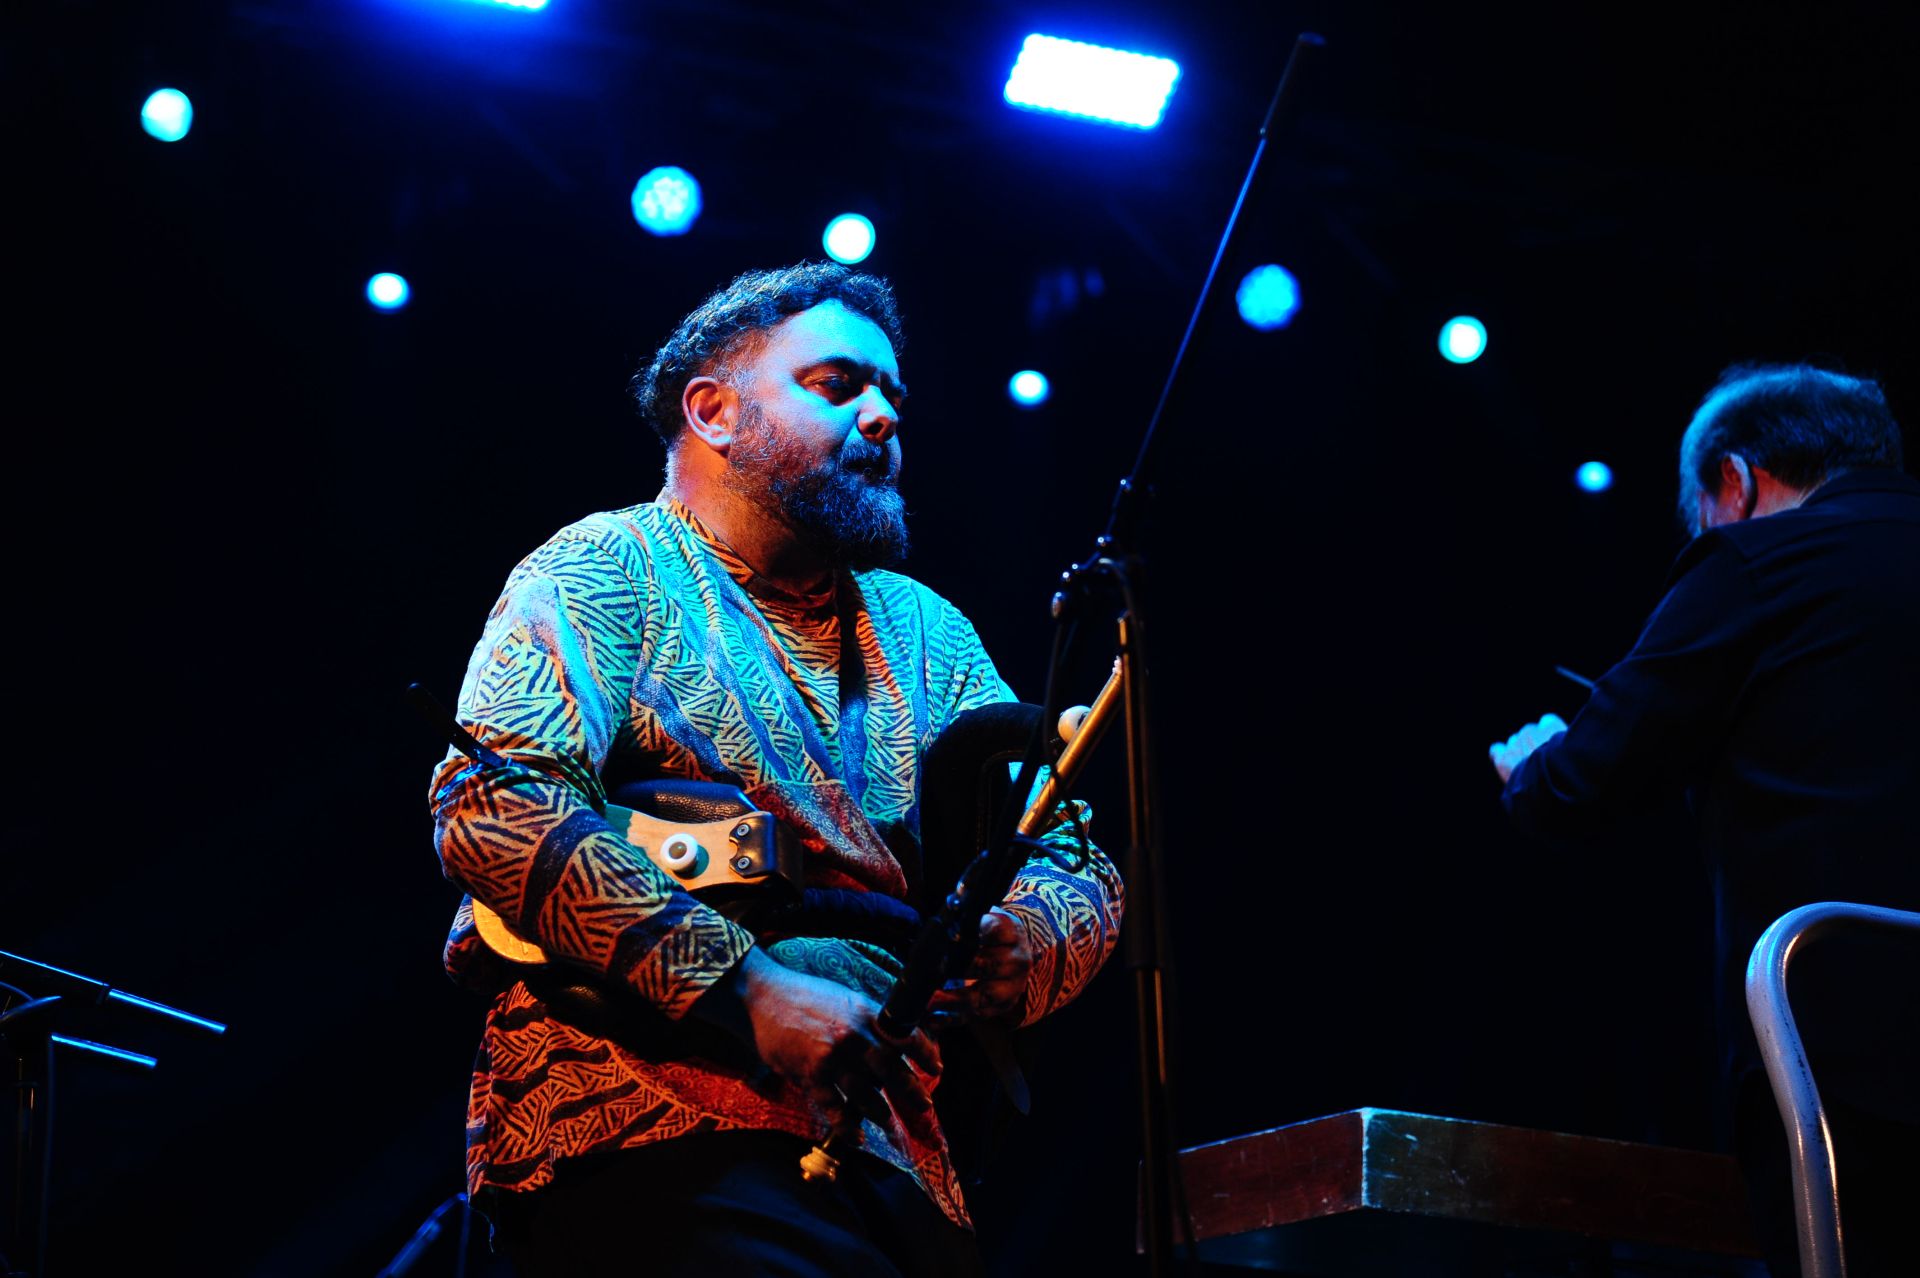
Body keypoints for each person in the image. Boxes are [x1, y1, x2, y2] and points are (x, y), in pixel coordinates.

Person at [427, 262, 1124, 1277]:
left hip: (886, 1142)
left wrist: (1025, 941)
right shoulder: (604, 566)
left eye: (892, 395)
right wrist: (749, 988)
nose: (883, 416)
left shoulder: (927, 631)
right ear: (712, 412)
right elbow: (494, 805)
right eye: (838, 385)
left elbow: (1074, 859)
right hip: (638, 1120)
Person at [1489, 363, 1920, 1276]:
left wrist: (1533, 767)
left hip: (1852, 1060)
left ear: (1736, 480)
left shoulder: (1755, 560)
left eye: (1701, 512)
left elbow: (1580, 785)